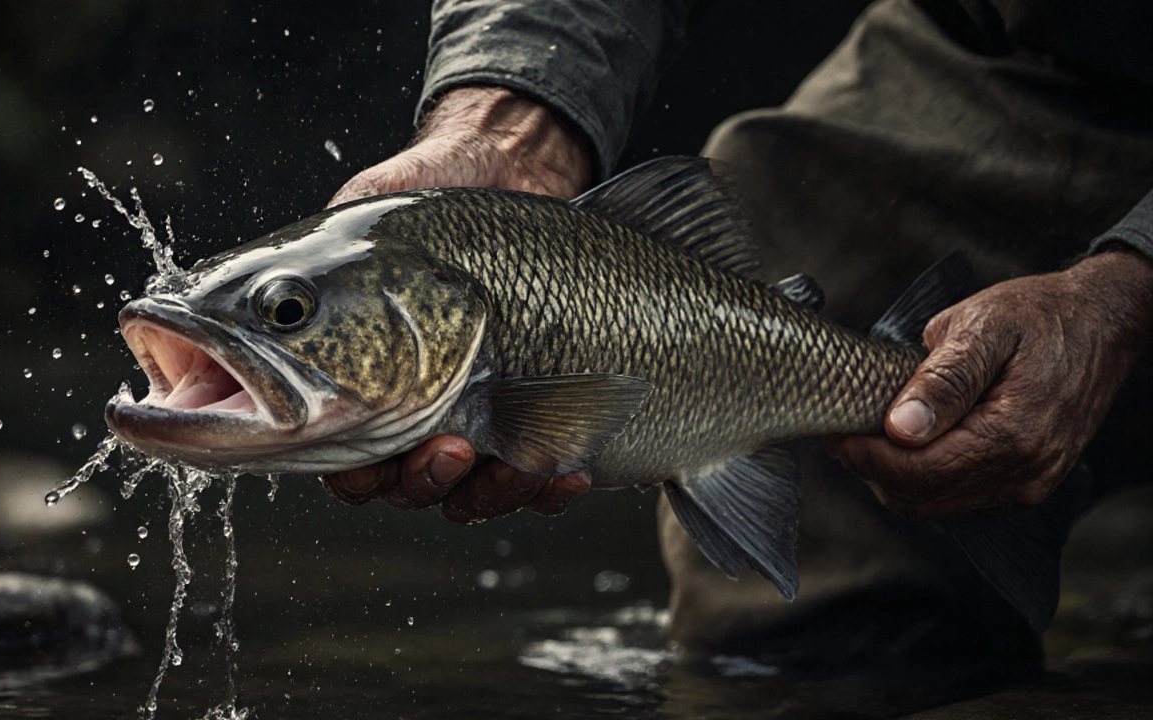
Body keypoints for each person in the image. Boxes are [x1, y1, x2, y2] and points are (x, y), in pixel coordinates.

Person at [321, 0, 1153, 676]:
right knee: (791, 643)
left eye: (289, 313)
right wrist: (505, 124)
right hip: (1002, 39)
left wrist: (1123, 291)